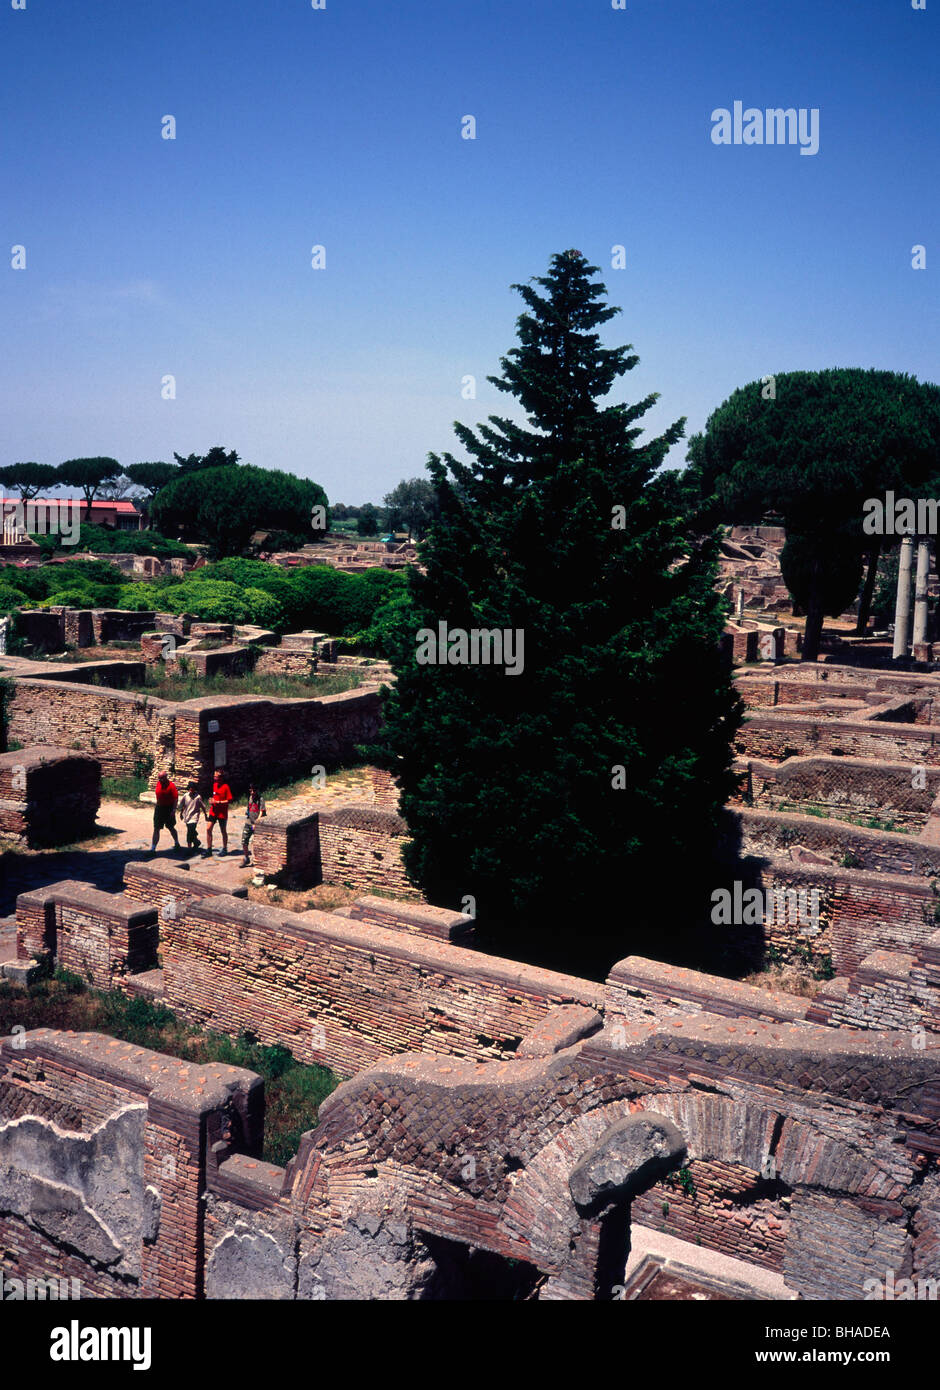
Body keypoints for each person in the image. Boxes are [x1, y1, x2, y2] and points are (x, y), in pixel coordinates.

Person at [204, 768, 233, 856]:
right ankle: (209, 849)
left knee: (223, 830)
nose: (214, 778)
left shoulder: (226, 787)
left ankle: (224, 848)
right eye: (214, 776)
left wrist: (218, 802)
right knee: (208, 829)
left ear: (220, 777)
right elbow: (215, 796)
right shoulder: (215, 785)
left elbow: (229, 800)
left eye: (215, 776)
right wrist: (211, 800)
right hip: (214, 811)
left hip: (222, 813)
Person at [150, 771, 180, 853]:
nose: (160, 779)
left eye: (162, 778)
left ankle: (177, 843)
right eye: (159, 778)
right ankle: (153, 848)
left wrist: (174, 810)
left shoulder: (171, 786)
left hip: (168, 809)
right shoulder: (158, 783)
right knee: (156, 828)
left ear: (166, 777)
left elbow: (175, 799)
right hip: (159, 808)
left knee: (170, 827)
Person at [239, 783, 267, 867]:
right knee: (244, 841)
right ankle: (246, 858)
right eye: (251, 790)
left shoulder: (261, 799)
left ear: (257, 790)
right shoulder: (250, 797)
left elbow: (262, 811)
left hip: (256, 823)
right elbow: (249, 808)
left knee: (256, 842)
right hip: (249, 822)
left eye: (254, 790)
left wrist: (256, 823)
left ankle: (258, 860)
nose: (252, 792)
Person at [177, 781, 206, 853]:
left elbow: (203, 807)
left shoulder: (198, 797)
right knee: (192, 831)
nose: (191, 790)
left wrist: (205, 815)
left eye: (192, 788)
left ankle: (189, 849)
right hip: (187, 816)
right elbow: (183, 805)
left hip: (194, 817)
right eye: (190, 788)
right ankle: (196, 842)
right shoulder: (185, 796)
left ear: (194, 789)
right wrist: (181, 813)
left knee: (189, 832)